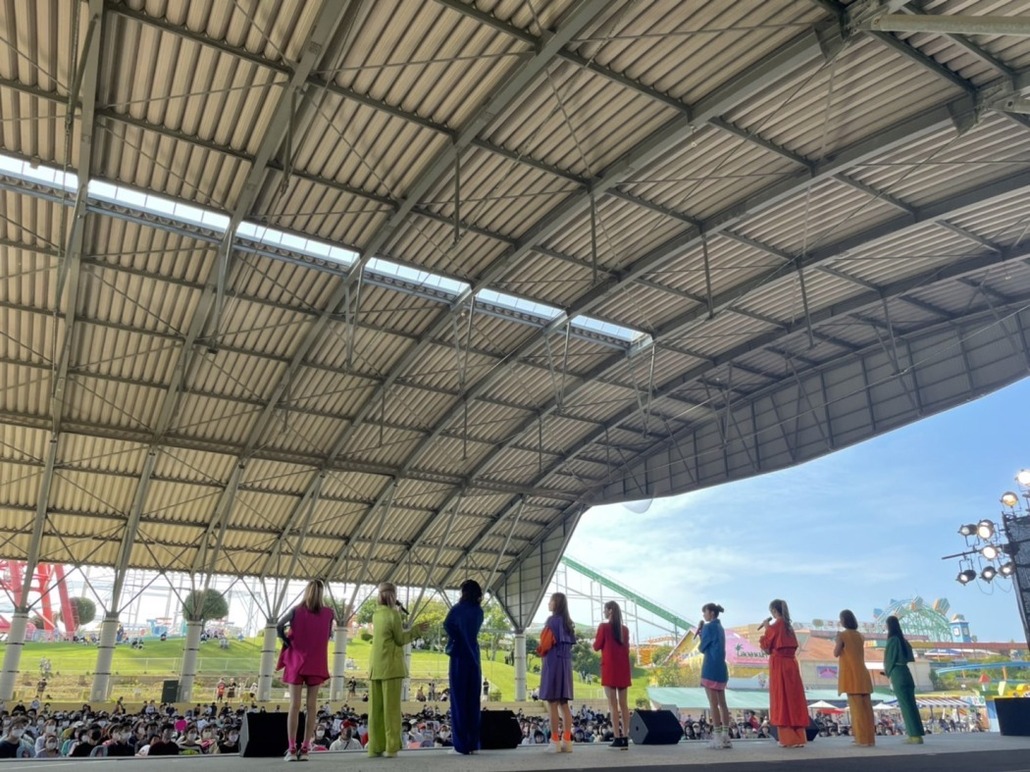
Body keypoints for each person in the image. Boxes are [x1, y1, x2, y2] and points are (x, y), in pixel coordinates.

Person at [276, 578, 335, 762]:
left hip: (296, 660)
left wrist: (287, 641)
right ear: (322, 593)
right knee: (311, 706)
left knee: (294, 705)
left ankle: (292, 749)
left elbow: (279, 625)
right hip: (316, 662)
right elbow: (328, 634)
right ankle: (306, 748)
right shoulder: (329, 613)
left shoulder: (296, 610)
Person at [368, 582, 427, 758]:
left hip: (375, 666)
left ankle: (375, 747)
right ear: (393, 596)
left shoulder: (376, 614)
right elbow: (400, 639)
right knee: (391, 710)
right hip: (391, 667)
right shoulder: (393, 615)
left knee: (376, 710)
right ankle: (391, 747)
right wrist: (416, 631)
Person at [759, 599, 809, 748]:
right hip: (791, 664)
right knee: (794, 699)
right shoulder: (789, 627)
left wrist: (767, 628)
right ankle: (799, 737)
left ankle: (788, 739)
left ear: (774, 611)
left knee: (782, 700)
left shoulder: (774, 627)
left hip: (779, 665)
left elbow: (766, 648)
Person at [444, 578, 484, 755]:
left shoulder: (457, 609)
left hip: (459, 656)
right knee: (473, 701)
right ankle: (473, 743)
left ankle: (460, 745)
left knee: (458, 701)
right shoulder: (479, 611)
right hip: (474, 657)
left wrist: (455, 637)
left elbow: (447, 625)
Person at [536, 591, 576, 753]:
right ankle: (567, 741)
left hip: (553, 664)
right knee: (564, 704)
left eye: (551, 601)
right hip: (566, 665)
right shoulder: (568, 623)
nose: (549, 603)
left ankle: (554, 741)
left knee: (552, 703)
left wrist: (539, 650)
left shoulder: (551, 621)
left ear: (556, 603)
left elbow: (545, 644)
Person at [593, 600, 631, 750]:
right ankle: (625, 736)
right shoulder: (625, 630)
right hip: (623, 668)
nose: (603, 612)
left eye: (605, 609)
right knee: (624, 704)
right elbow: (627, 649)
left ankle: (616, 737)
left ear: (609, 611)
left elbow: (596, 646)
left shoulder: (603, 627)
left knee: (612, 704)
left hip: (609, 668)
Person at [834, 609, 875, 747]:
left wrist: (837, 640)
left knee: (856, 710)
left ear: (843, 621)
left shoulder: (843, 635)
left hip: (851, 675)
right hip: (863, 674)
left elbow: (836, 653)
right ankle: (869, 738)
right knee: (867, 709)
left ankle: (861, 739)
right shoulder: (860, 636)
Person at [883, 615, 924, 744]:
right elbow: (910, 656)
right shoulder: (903, 640)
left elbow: (889, 660)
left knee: (905, 706)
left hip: (897, 673)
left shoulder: (892, 640)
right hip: (906, 671)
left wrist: (887, 672)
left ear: (889, 626)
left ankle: (914, 736)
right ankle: (918, 734)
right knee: (912, 704)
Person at [699, 602, 731, 750]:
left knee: (713, 704)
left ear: (711, 613)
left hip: (710, 667)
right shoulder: (720, 628)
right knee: (722, 703)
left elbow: (702, 647)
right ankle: (726, 736)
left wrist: (701, 633)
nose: (703, 615)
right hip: (721, 668)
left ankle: (717, 737)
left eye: (705, 612)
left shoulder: (708, 627)